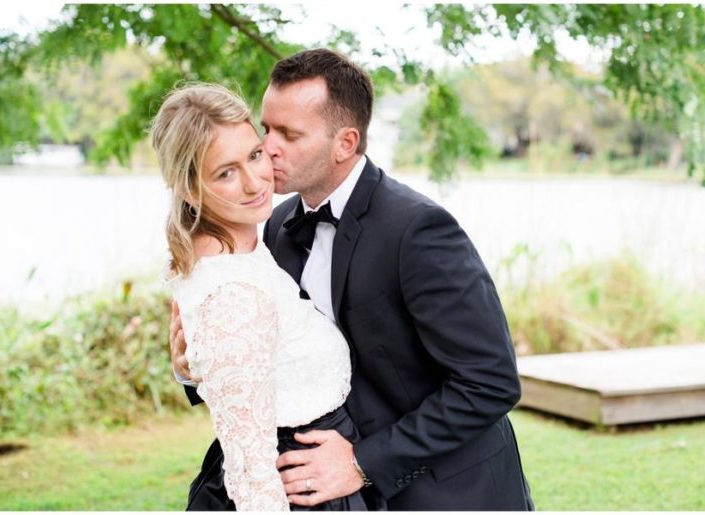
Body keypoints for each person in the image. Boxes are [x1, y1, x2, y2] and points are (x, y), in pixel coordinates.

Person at [172, 48, 534, 510]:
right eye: (267, 128)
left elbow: (491, 382)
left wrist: (363, 462)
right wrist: (192, 364)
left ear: (344, 143)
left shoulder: (418, 230)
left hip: (444, 491)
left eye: (289, 134)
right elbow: (271, 357)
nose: (268, 148)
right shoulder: (274, 225)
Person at [152, 83, 377, 511]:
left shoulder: (248, 242)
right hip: (289, 488)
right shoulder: (232, 289)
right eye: (225, 172)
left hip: (317, 474)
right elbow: (252, 475)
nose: (256, 181)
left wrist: (192, 370)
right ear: (188, 188)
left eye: (255, 155)